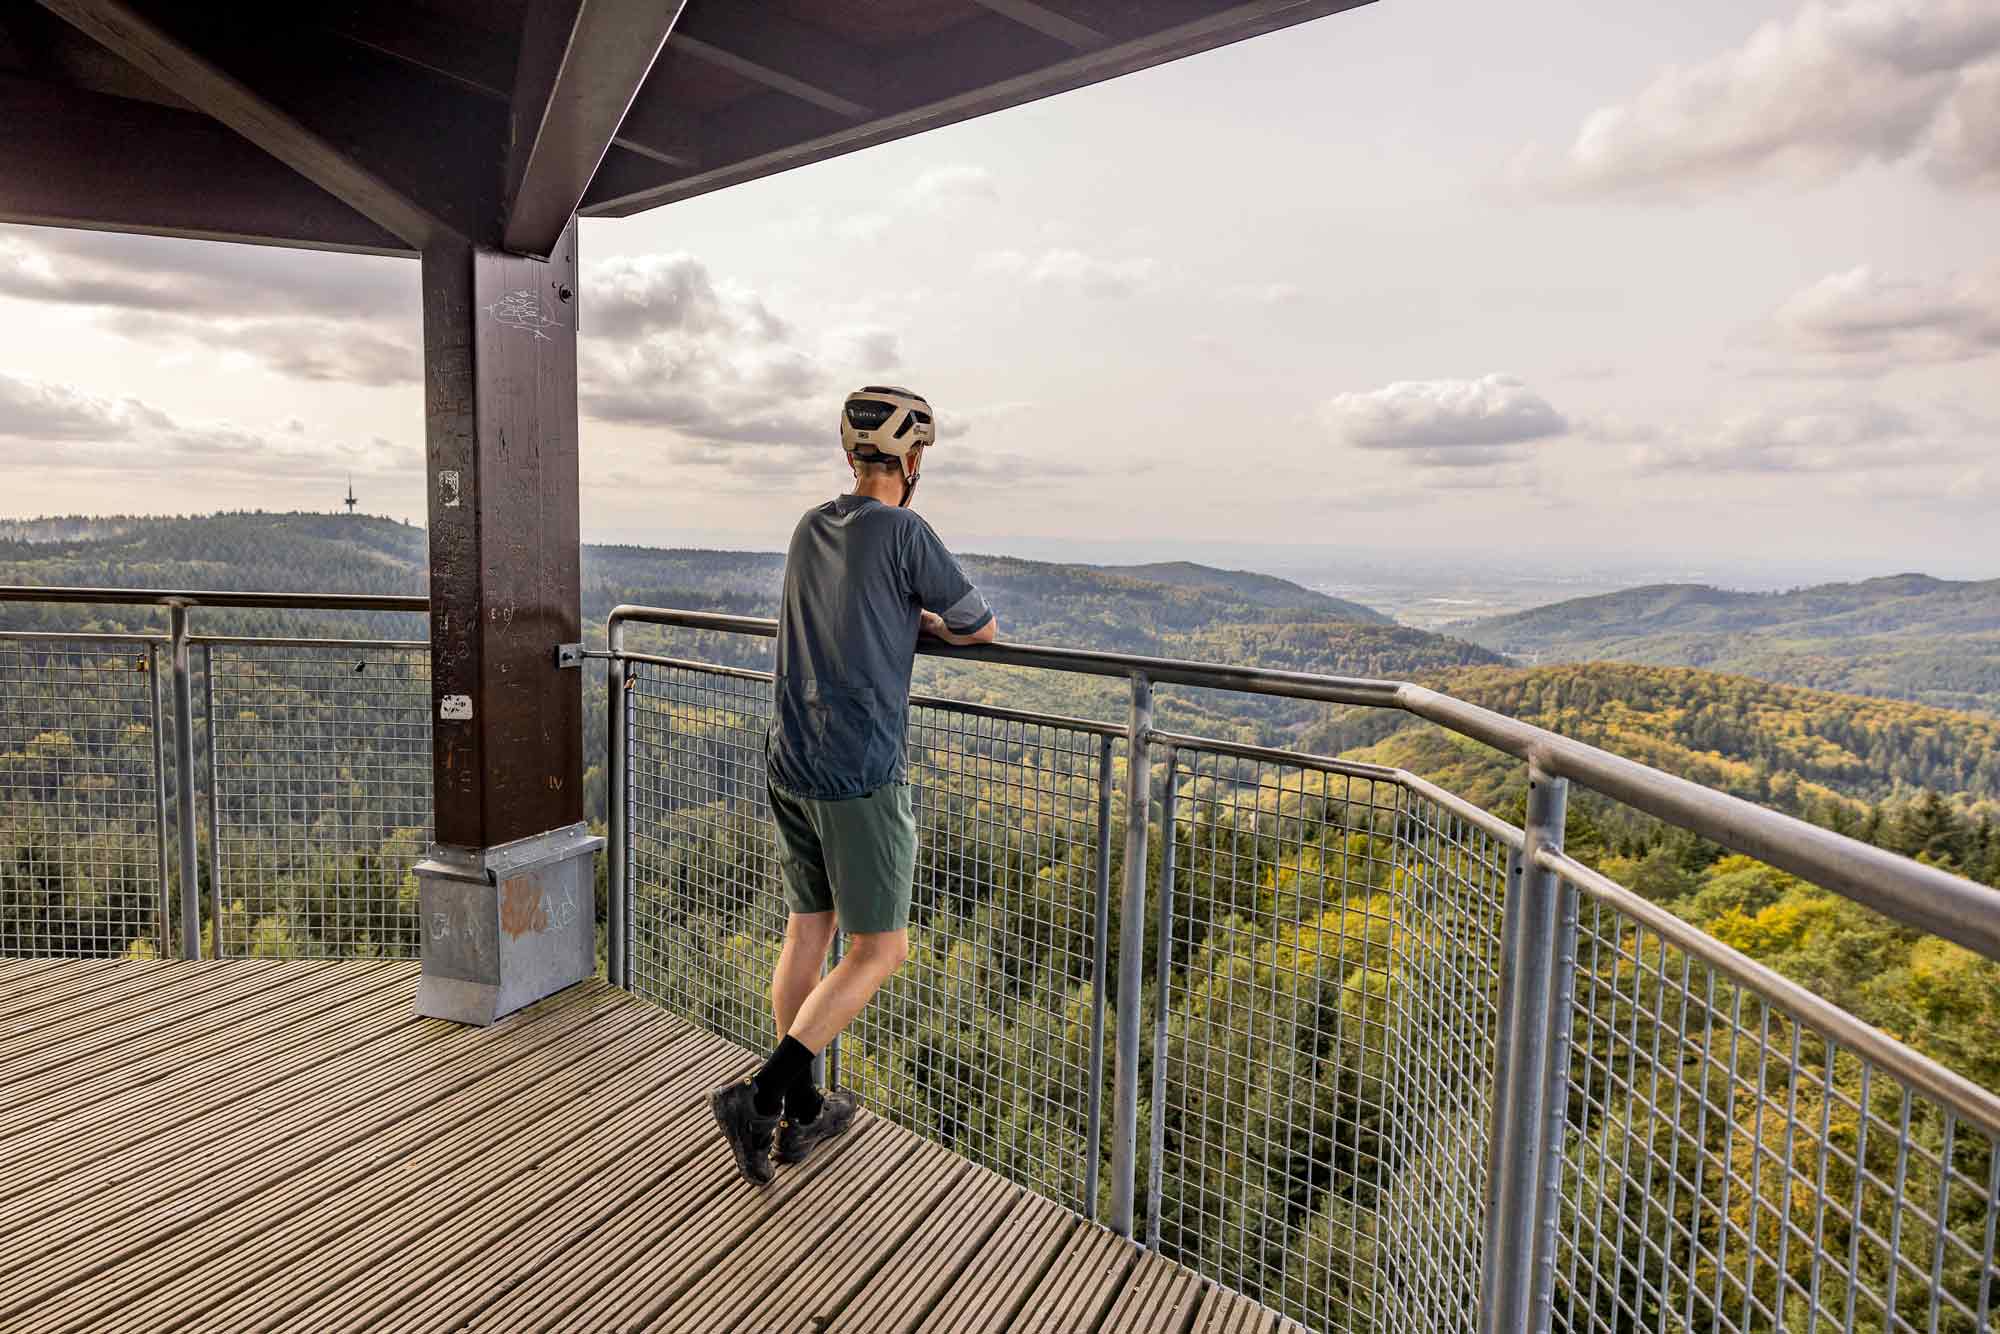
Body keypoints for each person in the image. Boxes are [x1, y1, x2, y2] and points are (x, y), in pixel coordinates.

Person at [710, 385, 997, 1185]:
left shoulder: (811, 525)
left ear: (848, 457)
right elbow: (980, 626)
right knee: (880, 948)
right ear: (912, 461)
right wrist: (928, 624)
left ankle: (800, 1113)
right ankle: (763, 1094)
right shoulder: (906, 530)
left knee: (809, 932)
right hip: (859, 766)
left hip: (790, 755)